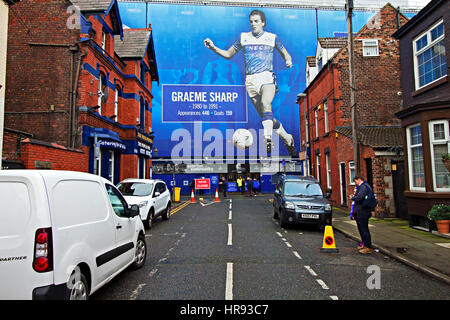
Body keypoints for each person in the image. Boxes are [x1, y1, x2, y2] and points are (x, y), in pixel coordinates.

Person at [204, 10, 297, 156]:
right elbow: (228, 54)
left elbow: (286, 53)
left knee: (267, 104)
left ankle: (268, 139)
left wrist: (288, 60)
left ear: (263, 23)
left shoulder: (272, 38)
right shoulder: (243, 37)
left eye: (256, 21)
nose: (253, 24)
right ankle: (287, 138)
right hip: (250, 81)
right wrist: (213, 47)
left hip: (267, 77)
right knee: (267, 117)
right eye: (251, 21)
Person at [351, 175, 374, 254]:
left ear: (359, 179)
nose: (355, 183)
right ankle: (364, 244)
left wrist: (352, 197)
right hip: (361, 210)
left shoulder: (363, 187)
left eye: (356, 181)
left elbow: (359, 197)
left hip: (363, 211)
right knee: (361, 228)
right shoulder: (363, 186)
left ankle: (368, 247)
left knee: (364, 229)